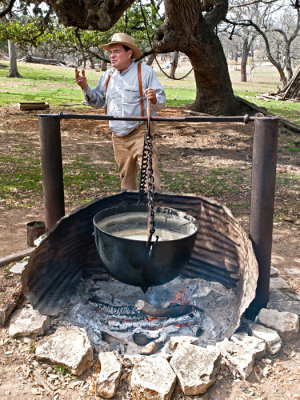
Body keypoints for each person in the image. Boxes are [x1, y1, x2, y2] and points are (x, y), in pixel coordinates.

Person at [75, 32, 166, 191]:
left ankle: (152, 211)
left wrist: (154, 98)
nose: (112, 56)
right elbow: (98, 102)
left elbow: (161, 101)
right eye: (110, 52)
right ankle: (131, 211)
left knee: (149, 176)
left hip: (140, 132)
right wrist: (85, 88)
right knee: (126, 180)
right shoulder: (108, 76)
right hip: (118, 136)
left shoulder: (144, 72)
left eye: (116, 51)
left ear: (129, 53)